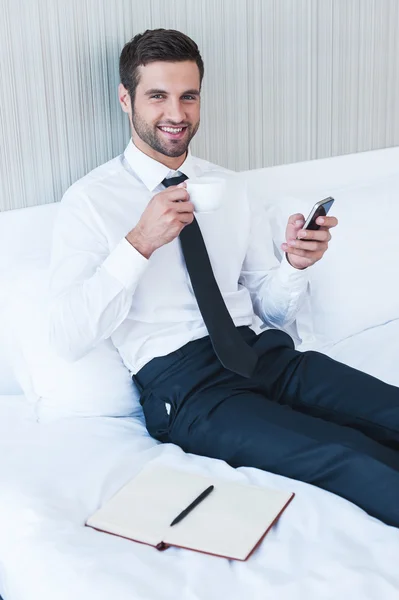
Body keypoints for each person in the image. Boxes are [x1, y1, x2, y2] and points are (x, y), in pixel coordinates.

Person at [49, 28, 399, 528]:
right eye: (158, 96)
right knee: (349, 456)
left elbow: (270, 309)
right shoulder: (88, 201)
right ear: (126, 100)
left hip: (265, 355)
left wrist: (293, 267)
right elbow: (67, 335)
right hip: (187, 388)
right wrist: (139, 243)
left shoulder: (228, 187)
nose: (176, 113)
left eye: (188, 96)